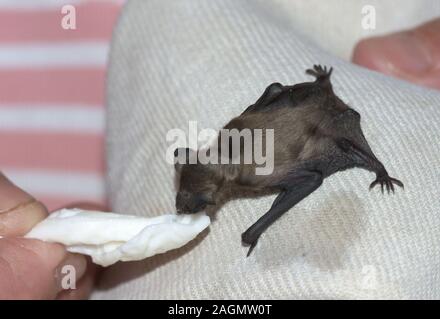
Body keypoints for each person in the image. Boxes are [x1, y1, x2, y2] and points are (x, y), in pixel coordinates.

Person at [1, 17, 439, 300]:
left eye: (194, 199)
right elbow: (272, 95)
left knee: (309, 171)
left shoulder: (255, 175)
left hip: (320, 130)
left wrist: (377, 167)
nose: (190, 205)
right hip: (299, 109)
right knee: (275, 102)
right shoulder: (224, 143)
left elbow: (309, 178)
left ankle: (365, 150)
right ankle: (325, 93)